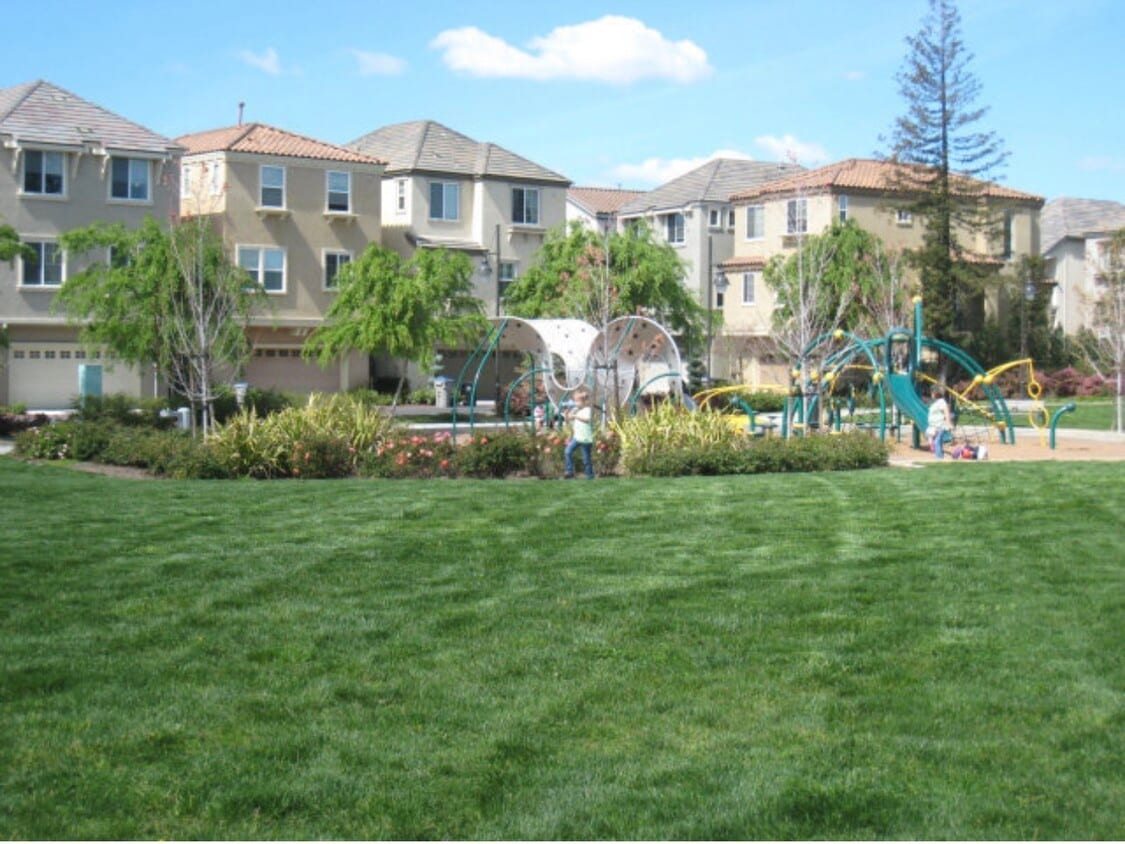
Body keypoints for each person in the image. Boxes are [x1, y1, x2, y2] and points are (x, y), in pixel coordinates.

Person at [563, 388, 595, 479]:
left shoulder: (588, 410)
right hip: (577, 437)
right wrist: (566, 414)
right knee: (567, 451)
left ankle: (590, 476)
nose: (576, 403)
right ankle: (569, 471)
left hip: (585, 438)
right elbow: (568, 420)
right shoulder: (576, 410)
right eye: (575, 401)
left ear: (584, 402)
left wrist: (575, 416)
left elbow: (587, 420)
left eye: (577, 401)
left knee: (586, 459)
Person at [926, 385, 953, 458]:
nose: (931, 394)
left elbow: (946, 412)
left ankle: (939, 457)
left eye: (932, 393)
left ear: (935, 393)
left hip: (940, 425)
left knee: (937, 442)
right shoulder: (935, 403)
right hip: (934, 426)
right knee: (935, 441)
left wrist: (949, 423)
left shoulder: (941, 402)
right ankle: (939, 456)